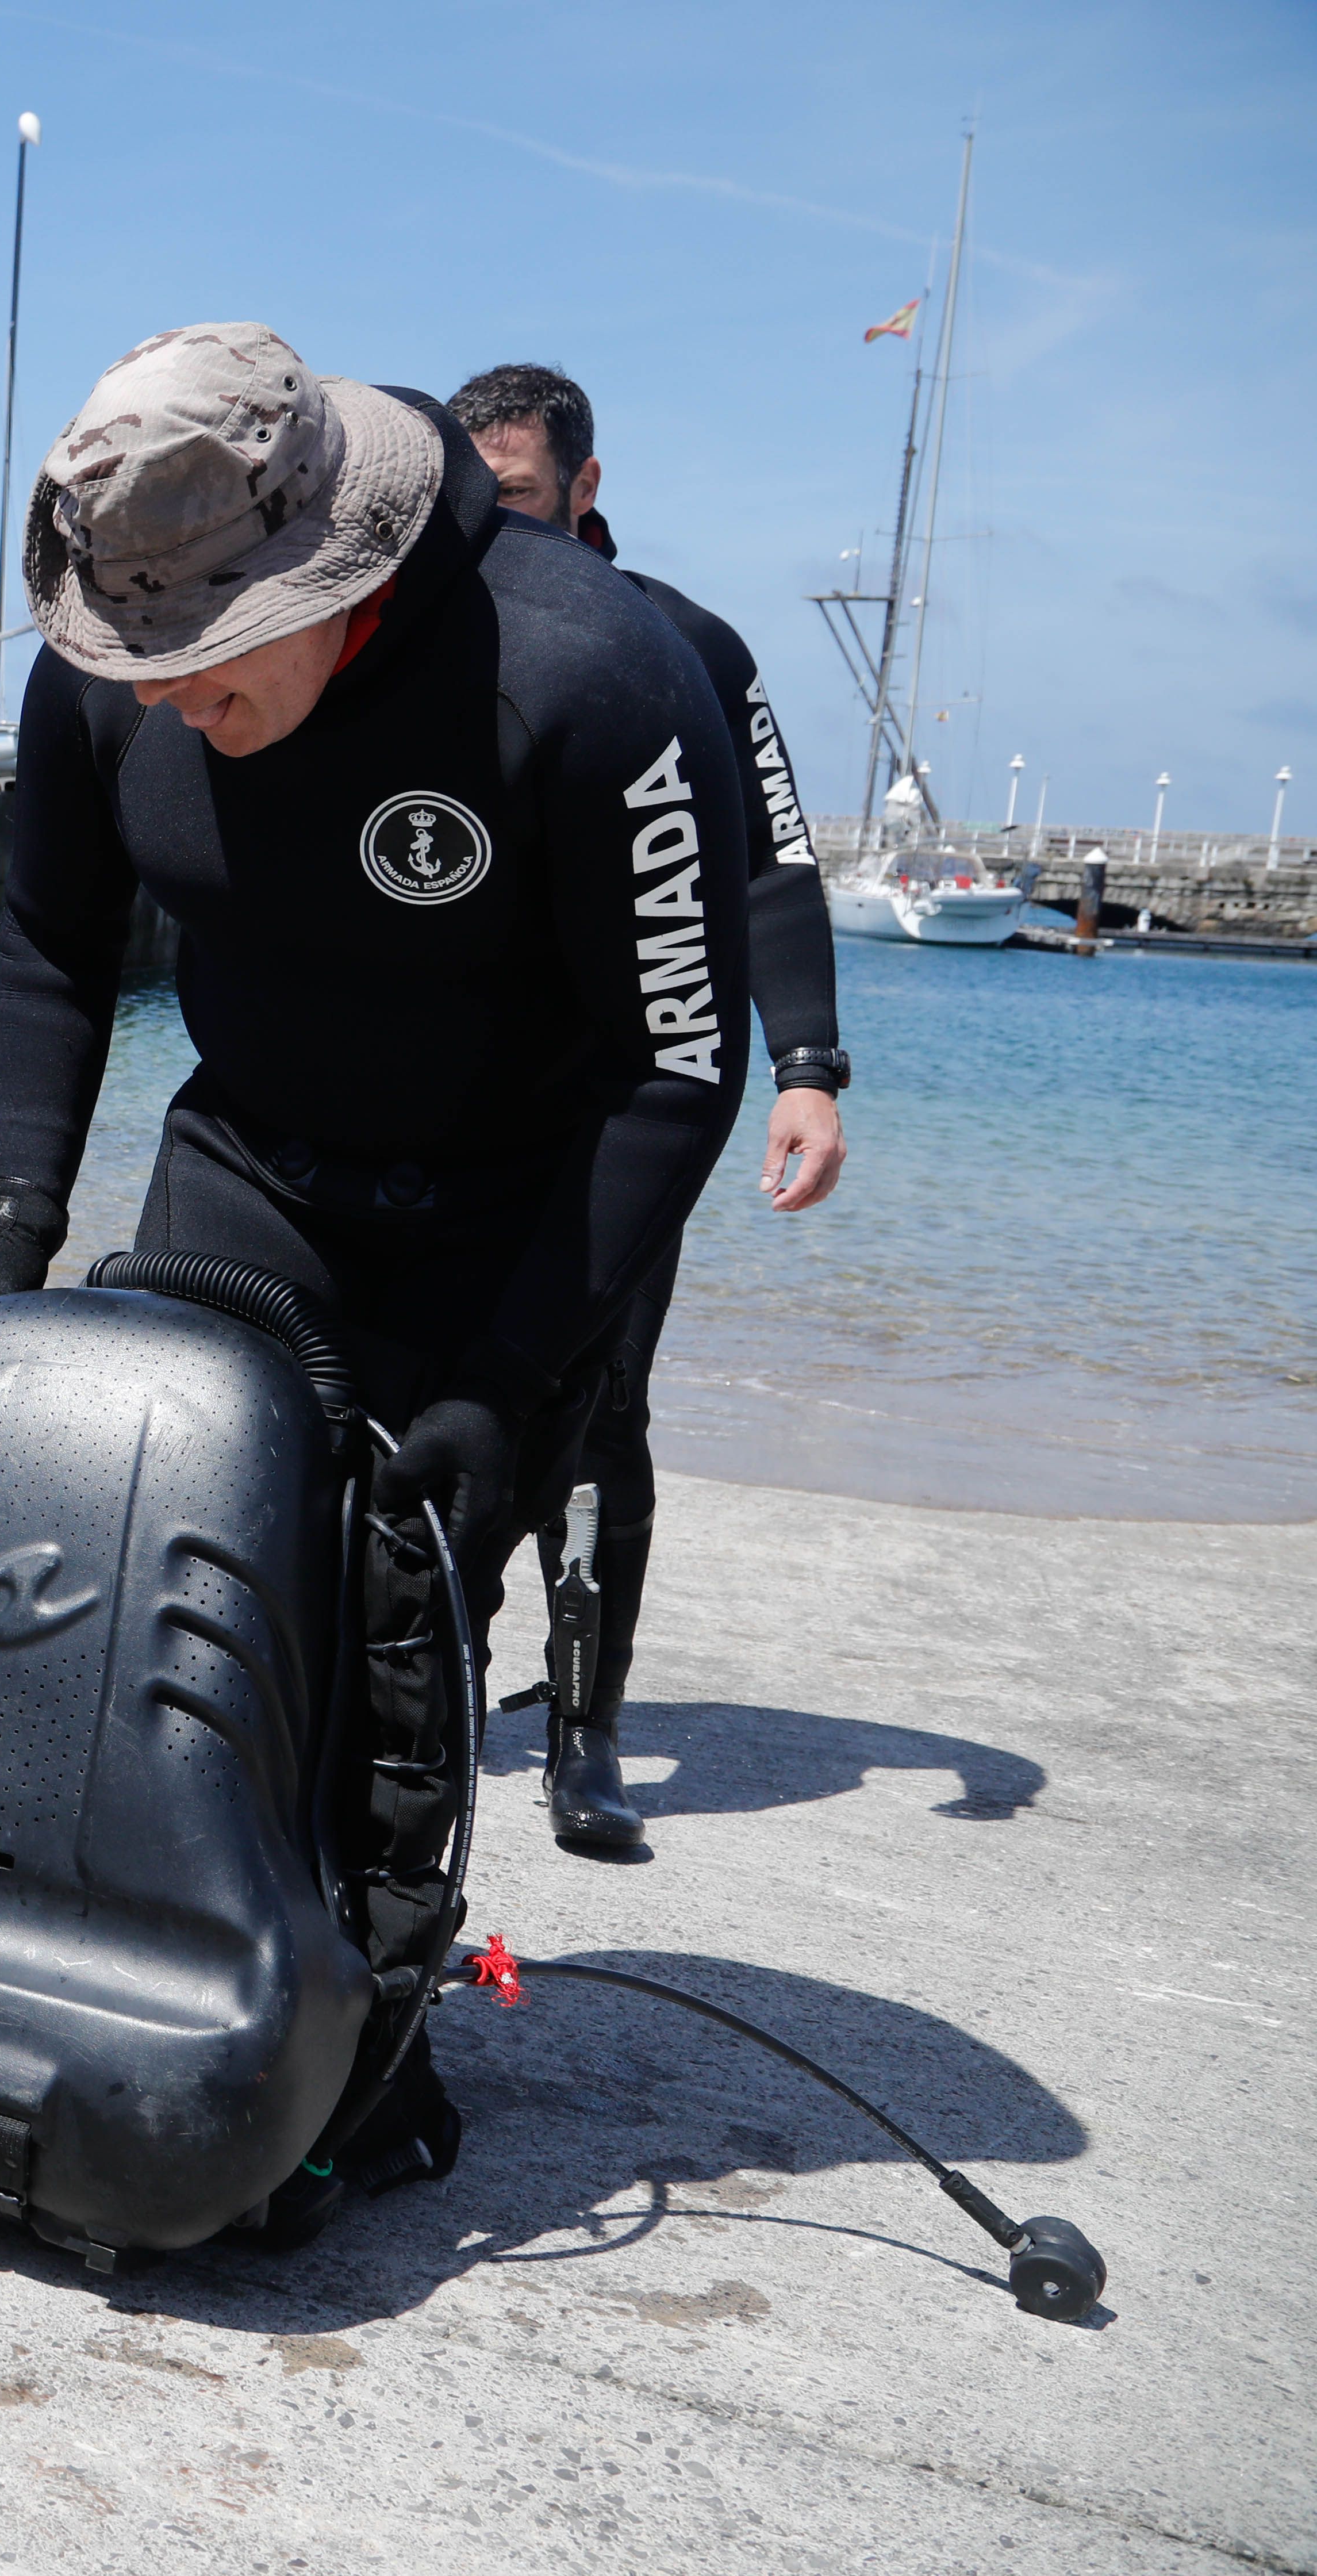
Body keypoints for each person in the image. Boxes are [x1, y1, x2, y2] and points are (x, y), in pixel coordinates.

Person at [0, 321, 750, 2186]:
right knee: (160, 1579)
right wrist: (11, 1230)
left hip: (515, 1202)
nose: (160, 706)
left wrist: (506, 1382)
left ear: (337, 582)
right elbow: (51, 952)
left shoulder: (589, 674)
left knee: (398, 1636)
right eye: (127, 667)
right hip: (251, 1161)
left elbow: (680, 1069)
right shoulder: (119, 661)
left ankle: (365, 2020)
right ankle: (139, 1986)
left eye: (206, 671)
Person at [450, 361, 849, 1856]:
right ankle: (420, 1694)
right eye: (475, 504)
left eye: (530, 502)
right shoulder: (425, 633)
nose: (504, 533)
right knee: (409, 1398)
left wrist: (805, 1067)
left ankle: (584, 1732)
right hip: (439, 1110)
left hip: (628, 1108)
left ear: (589, 488)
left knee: (595, 1406)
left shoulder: (686, 648)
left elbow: (775, 866)